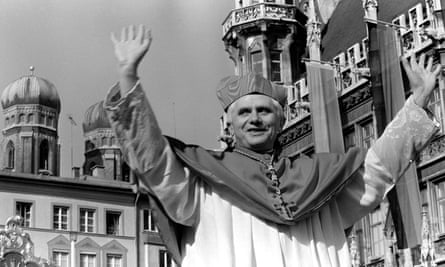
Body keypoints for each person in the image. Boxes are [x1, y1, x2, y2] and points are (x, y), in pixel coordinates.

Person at [104, 25, 441, 267]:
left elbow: (378, 170)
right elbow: (154, 164)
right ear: (231, 124)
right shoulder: (204, 183)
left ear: (280, 121)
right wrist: (128, 78)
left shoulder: (317, 180)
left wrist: (419, 101)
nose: (254, 119)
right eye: (244, 113)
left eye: (264, 111)